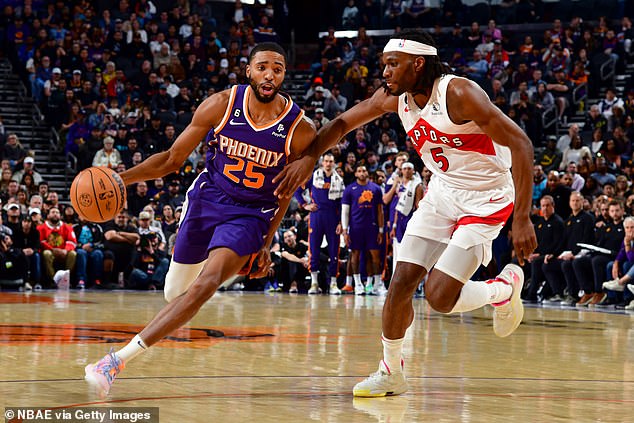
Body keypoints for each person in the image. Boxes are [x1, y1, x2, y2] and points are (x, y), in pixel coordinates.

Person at [274, 29, 537, 397]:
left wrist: (522, 218)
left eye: (392, 65)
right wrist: (309, 157)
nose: (384, 73)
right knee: (399, 284)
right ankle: (390, 371)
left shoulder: (459, 94)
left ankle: (503, 289)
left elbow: (522, 145)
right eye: (384, 65)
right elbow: (343, 123)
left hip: (487, 198)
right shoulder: (394, 98)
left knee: (440, 298)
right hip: (443, 192)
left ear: (418, 64)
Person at [84, 43, 315, 398]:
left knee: (204, 285)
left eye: (278, 69)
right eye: (263, 67)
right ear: (249, 71)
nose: (270, 74)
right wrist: (121, 178)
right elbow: (173, 158)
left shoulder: (299, 128)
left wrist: (266, 242)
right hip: (208, 199)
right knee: (175, 293)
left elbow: (285, 193)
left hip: (251, 213)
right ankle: (222, 268)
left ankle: (114, 361)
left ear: (284, 76)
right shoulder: (221, 105)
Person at [294, 152, 344, 295]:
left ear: (334, 163)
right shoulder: (313, 176)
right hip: (316, 215)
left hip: (333, 217)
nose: (328, 164)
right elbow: (298, 190)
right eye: (326, 161)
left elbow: (341, 203)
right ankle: (314, 283)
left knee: (334, 251)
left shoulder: (339, 180)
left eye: (331, 161)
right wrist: (305, 205)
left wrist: (341, 221)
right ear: (322, 163)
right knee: (314, 250)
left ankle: (333, 283)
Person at [341, 164, 384, 296]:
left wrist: (381, 230)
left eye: (364, 170)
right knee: (355, 256)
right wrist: (344, 230)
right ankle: (358, 284)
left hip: (372, 228)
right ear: (355, 174)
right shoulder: (349, 189)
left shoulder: (376, 189)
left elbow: (380, 211)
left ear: (367, 172)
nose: (362, 172)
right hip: (355, 228)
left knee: (375, 257)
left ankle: (376, 285)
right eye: (359, 170)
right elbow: (345, 211)